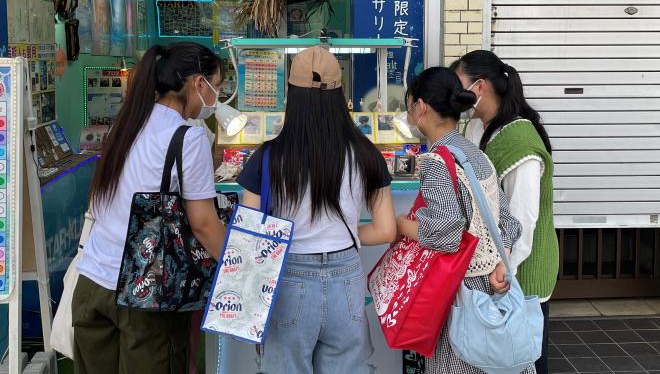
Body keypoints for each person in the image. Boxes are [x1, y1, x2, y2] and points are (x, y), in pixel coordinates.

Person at [237, 46, 396, 374]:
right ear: (340, 94)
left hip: (288, 277)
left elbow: (251, 235)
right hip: (347, 279)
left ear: (290, 94)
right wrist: (343, 233)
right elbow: (385, 230)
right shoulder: (366, 154)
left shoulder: (267, 157)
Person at [74, 42, 227, 374]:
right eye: (216, 87)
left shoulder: (126, 125)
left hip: (92, 284)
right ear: (198, 84)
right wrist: (240, 268)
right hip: (146, 293)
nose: (216, 98)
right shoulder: (189, 138)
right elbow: (203, 224)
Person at [395, 67, 532, 374]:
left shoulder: (437, 161)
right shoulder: (475, 152)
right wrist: (502, 258)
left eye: (409, 105)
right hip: (491, 285)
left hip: (460, 291)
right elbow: (508, 222)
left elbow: (446, 235)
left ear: (420, 107)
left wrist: (401, 225)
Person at [452, 50, 558, 374]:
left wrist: (505, 269)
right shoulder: (480, 127)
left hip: (522, 268)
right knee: (498, 355)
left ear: (480, 87)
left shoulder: (520, 144)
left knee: (523, 357)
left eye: (458, 85)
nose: (455, 94)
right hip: (497, 267)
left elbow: (523, 220)